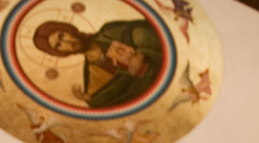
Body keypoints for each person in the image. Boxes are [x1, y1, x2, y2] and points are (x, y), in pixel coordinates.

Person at [32, 20, 163, 108]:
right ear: (60, 52)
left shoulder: (107, 32)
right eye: (59, 45)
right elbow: (104, 100)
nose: (67, 43)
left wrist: (141, 52)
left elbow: (142, 30)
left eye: (62, 36)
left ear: (68, 30)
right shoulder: (92, 71)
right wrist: (89, 99)